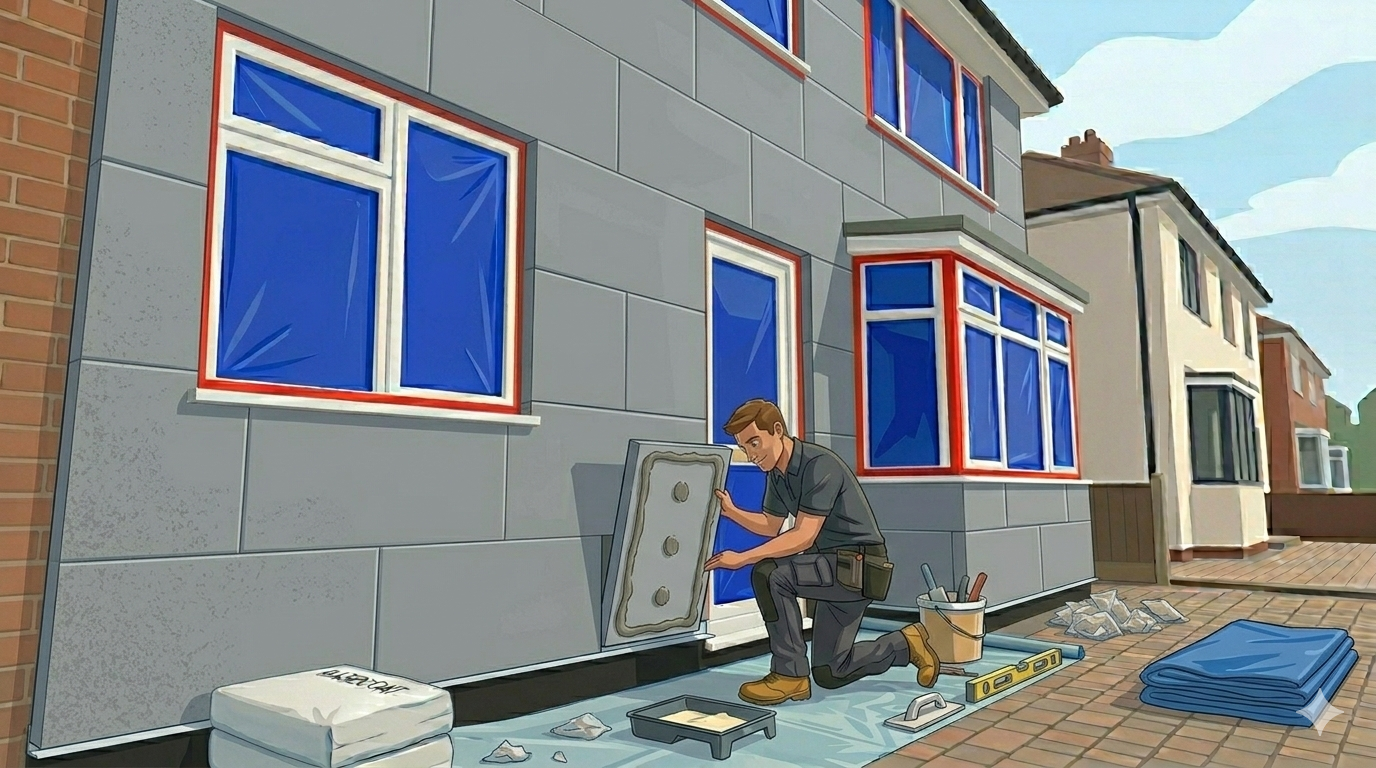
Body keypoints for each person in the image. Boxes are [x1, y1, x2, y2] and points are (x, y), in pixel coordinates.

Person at [704, 398, 941, 706]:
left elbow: (803, 536)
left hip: (858, 566)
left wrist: (742, 558)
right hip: (830, 567)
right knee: (831, 671)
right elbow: (770, 525)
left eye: (754, 443)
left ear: (777, 431)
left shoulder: (818, 465)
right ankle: (906, 644)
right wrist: (732, 511)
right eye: (744, 447)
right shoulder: (777, 474)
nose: (750, 455)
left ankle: (789, 675)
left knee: (769, 574)